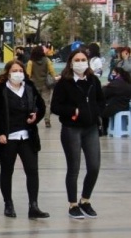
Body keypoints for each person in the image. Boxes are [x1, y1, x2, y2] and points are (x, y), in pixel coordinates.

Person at [0, 60, 49, 219]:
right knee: (7, 171)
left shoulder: (29, 87)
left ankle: (33, 206)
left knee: (32, 170)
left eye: (20, 70)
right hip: (8, 137)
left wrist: (36, 116)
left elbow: (41, 107)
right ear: (8, 72)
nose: (18, 73)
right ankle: (8, 204)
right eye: (14, 70)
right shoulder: (0, 89)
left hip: (27, 136)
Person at [51, 49, 105, 219]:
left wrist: (95, 112)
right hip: (71, 129)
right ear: (71, 62)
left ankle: (85, 200)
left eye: (83, 59)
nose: (81, 62)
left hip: (90, 128)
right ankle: (73, 204)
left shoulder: (93, 80)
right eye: (77, 59)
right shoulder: (64, 83)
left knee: (94, 166)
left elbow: (101, 101)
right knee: (73, 168)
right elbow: (55, 107)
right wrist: (73, 111)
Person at [26, 46, 58, 128]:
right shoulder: (47, 60)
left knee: (33, 103)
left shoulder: (30, 62)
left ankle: (33, 119)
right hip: (45, 85)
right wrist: (55, 78)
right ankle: (47, 121)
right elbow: (52, 72)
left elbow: (28, 75)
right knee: (46, 104)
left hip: (34, 86)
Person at [101, 67, 131, 134]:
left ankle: (104, 130)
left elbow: (103, 94)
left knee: (101, 110)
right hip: (125, 107)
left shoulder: (114, 84)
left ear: (118, 74)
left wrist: (105, 86)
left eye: (113, 73)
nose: (112, 75)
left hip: (113, 107)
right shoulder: (128, 84)